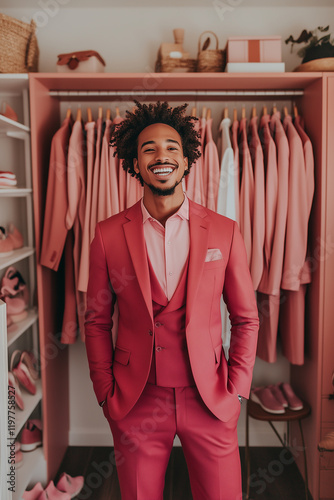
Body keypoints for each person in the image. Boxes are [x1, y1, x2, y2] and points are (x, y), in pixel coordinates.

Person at [85, 101, 259, 500]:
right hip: (135, 398)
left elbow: (246, 317)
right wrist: (105, 391)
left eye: (171, 147)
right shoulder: (108, 235)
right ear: (134, 162)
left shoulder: (223, 230)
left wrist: (237, 390)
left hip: (211, 396)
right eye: (148, 148)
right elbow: (96, 319)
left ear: (186, 160)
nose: (161, 155)